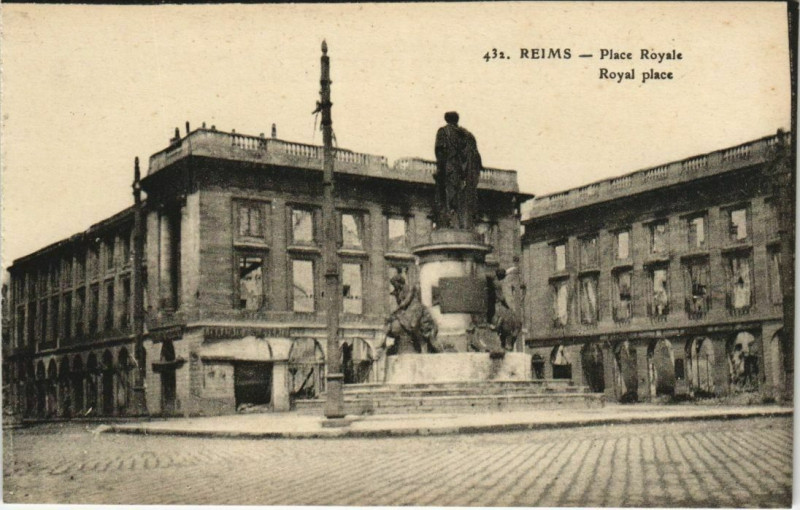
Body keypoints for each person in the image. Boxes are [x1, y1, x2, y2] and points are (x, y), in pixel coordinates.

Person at [434, 111, 483, 230]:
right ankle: (463, 223)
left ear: (446, 120)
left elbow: (440, 153)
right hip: (466, 173)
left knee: (449, 195)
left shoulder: (443, 132)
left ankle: (450, 221)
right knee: (462, 198)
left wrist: (439, 170)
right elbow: (476, 157)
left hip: (450, 168)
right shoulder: (468, 135)